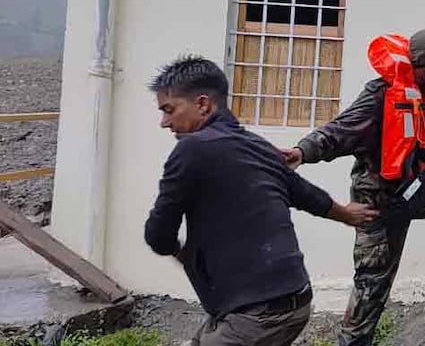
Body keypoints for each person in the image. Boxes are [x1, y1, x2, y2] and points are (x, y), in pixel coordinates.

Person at [279, 29, 425, 346]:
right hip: (377, 202)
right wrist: (302, 151)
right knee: (373, 284)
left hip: (417, 190)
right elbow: (339, 131)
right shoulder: (380, 95)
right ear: (422, 63)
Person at [143, 55, 378, 346]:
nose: (164, 122)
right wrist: (346, 214)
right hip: (292, 299)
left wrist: (187, 256)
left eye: (169, 110)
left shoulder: (191, 149)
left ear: (202, 104)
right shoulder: (257, 145)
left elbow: (158, 235)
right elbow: (302, 192)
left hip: (258, 314)